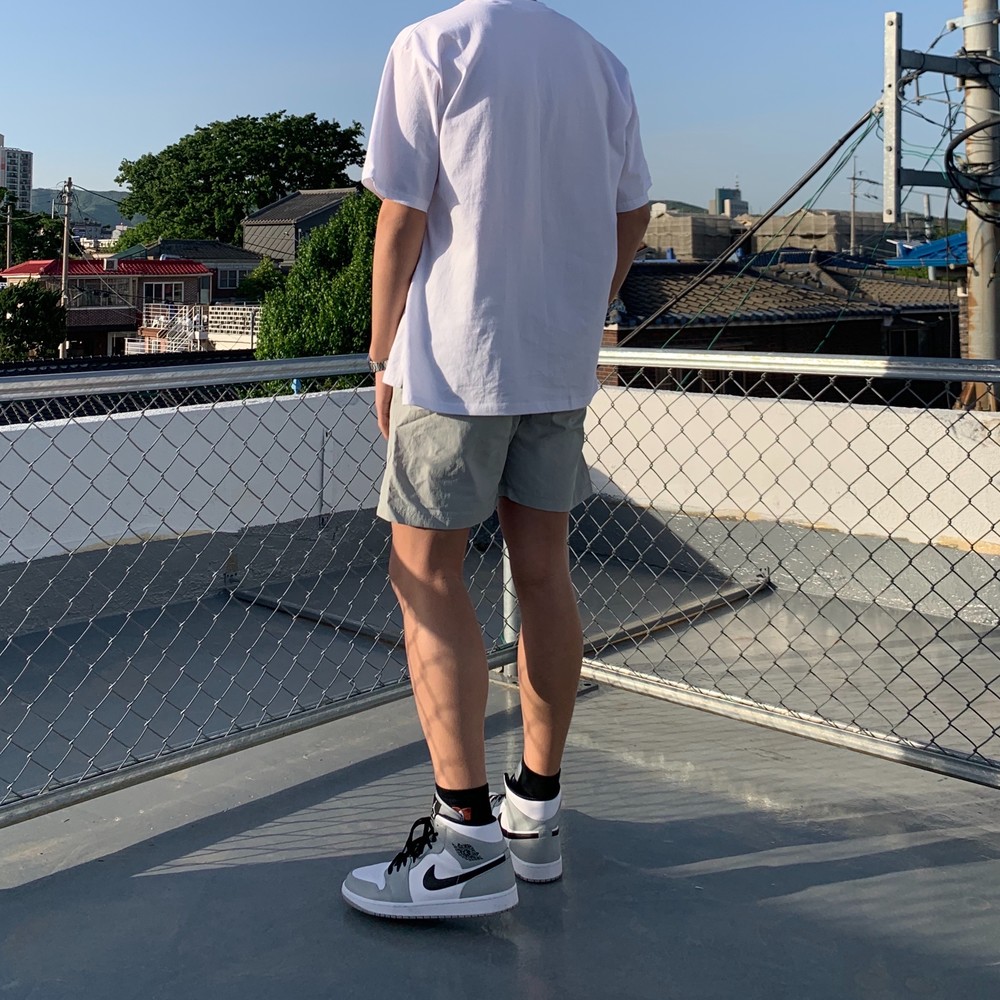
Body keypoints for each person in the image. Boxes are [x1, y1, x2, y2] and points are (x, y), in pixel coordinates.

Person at [341, 0, 651, 920]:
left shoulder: (432, 45)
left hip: (456, 359)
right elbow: (634, 212)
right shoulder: (599, 62)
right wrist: (583, 304)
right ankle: (535, 817)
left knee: (424, 575)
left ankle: (464, 839)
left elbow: (402, 214)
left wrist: (380, 352)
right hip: (555, 363)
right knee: (545, 575)